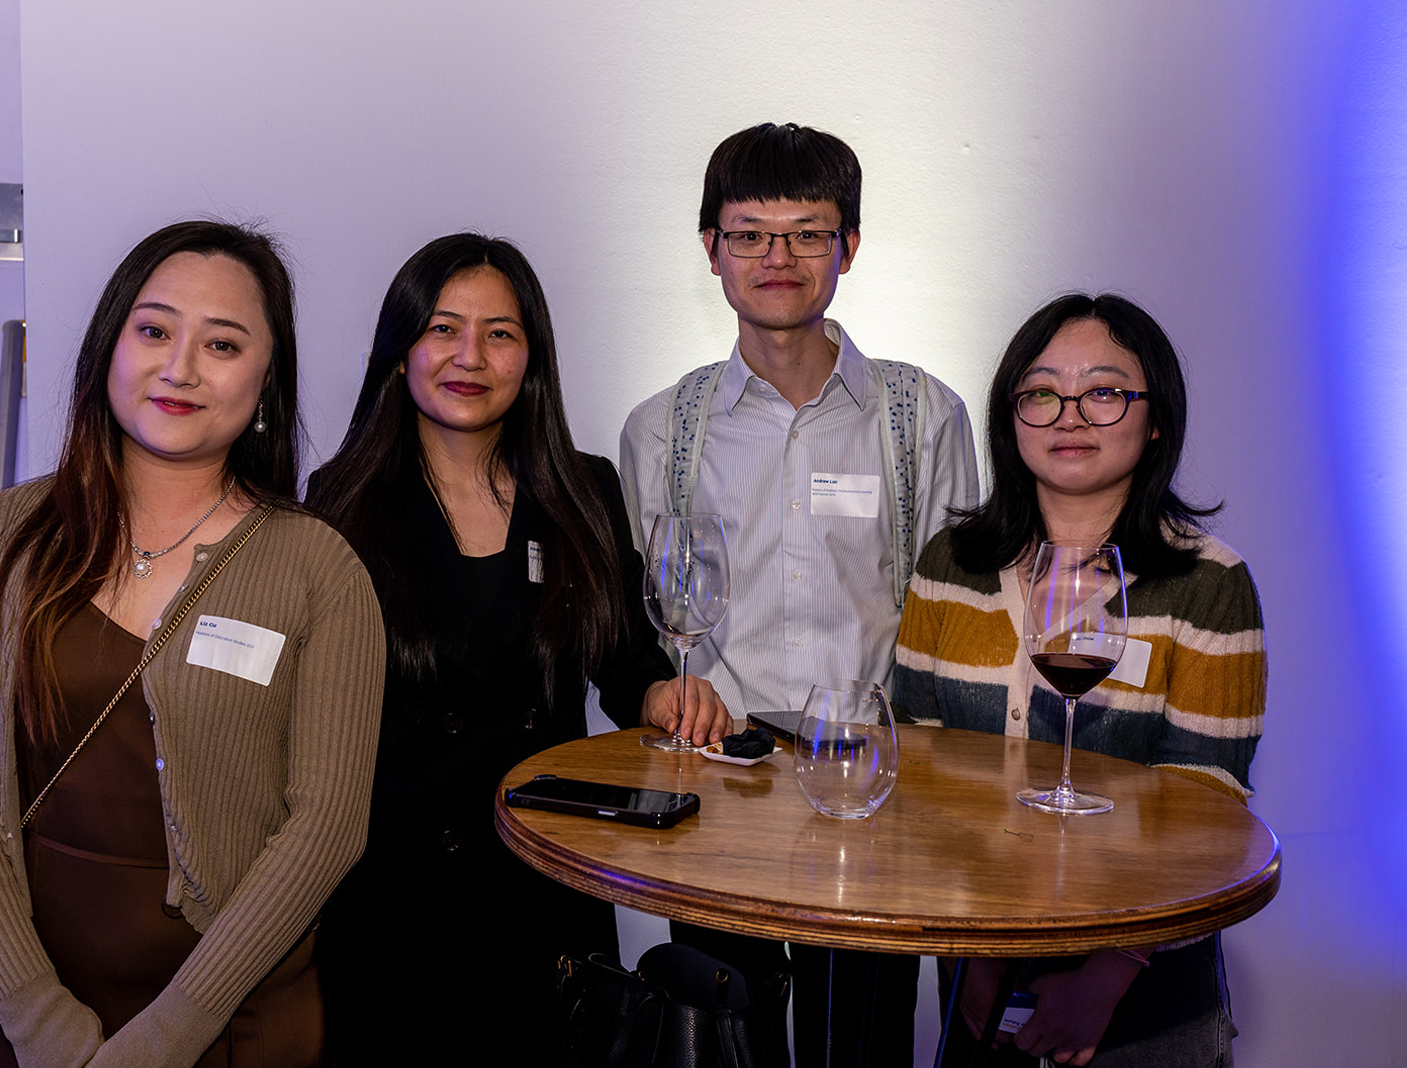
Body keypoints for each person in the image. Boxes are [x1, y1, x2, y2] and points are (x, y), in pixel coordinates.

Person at [0, 221, 386, 1067]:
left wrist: (167, 1038)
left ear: (267, 379)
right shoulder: (0, 540)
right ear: (109, 348)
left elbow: (328, 825)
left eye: (222, 344)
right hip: (28, 1011)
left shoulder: (320, 570)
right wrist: (39, 1019)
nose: (181, 367)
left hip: (235, 1021)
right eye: (155, 330)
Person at [304, 233, 729, 1066]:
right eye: (442, 328)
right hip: (394, 898)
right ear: (399, 350)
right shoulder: (343, 501)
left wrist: (662, 693)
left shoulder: (582, 488)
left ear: (531, 357)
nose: (470, 356)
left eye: (499, 333)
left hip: (546, 876)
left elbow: (625, 657)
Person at [620, 121, 978, 1067]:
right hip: (717, 790)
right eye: (749, 234)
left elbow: (956, 624)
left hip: (872, 795)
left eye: (808, 233)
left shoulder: (923, 417)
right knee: (721, 1044)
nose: (777, 258)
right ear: (712, 250)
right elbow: (651, 619)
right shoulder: (660, 429)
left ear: (848, 248)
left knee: (858, 1047)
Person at [893, 293, 1266, 1066]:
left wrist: (1106, 976)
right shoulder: (950, 565)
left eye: (1103, 392)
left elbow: (1208, 805)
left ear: (1155, 418)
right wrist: (975, 951)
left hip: (1147, 991)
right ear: (1011, 415)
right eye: (1041, 394)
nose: (1069, 417)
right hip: (976, 969)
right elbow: (915, 766)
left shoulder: (1209, 583)